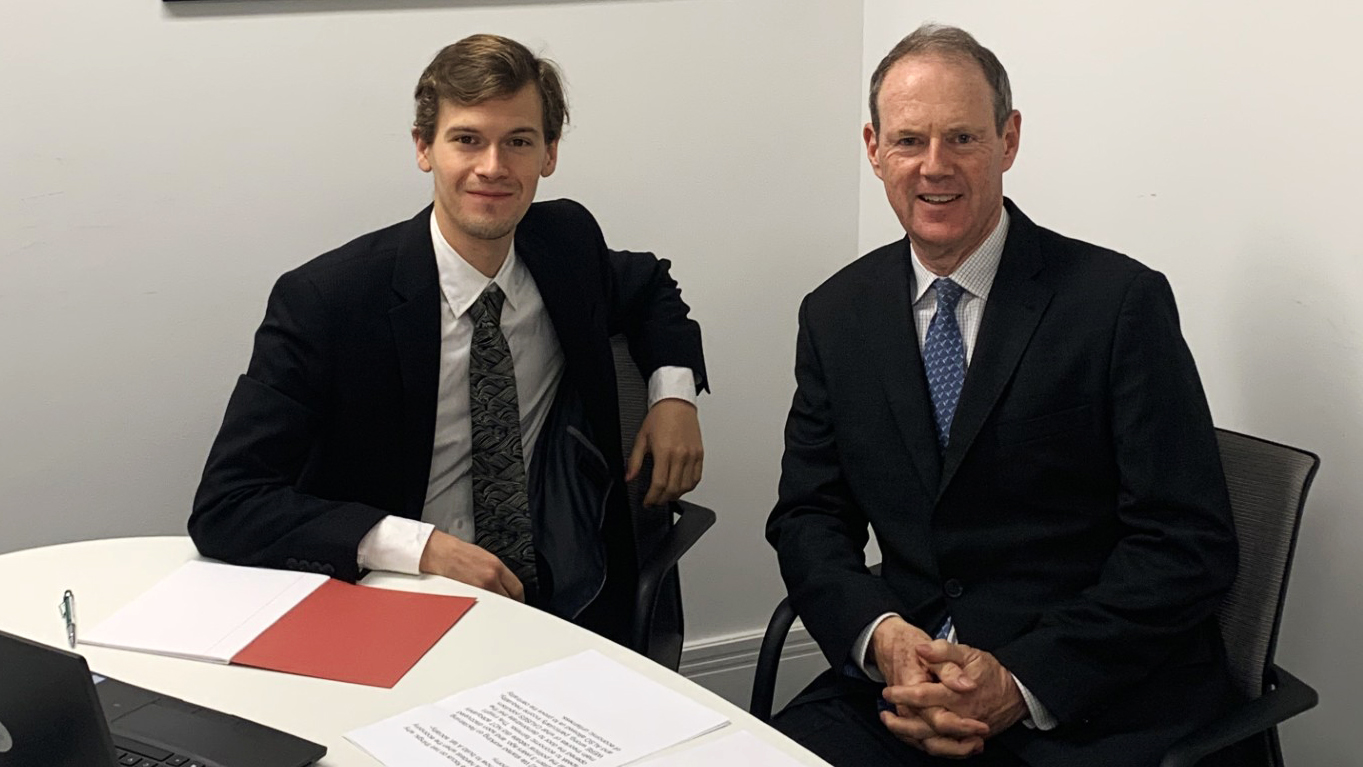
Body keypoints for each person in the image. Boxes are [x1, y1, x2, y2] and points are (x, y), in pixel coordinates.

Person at [766, 24, 1238, 767]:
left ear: (1008, 140)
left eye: (961, 137)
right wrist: (882, 636)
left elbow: (1185, 545)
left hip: (1081, 699)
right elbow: (808, 517)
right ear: (872, 147)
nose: (933, 167)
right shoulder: (835, 315)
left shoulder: (1117, 304)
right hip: (905, 687)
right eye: (908, 140)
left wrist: (1020, 680)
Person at [189, 34, 707, 648]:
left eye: (518, 141)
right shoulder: (328, 302)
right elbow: (228, 503)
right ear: (423, 149)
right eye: (467, 139)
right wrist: (423, 549)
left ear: (550, 154)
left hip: (563, 599)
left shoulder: (566, 244)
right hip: (391, 602)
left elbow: (650, 287)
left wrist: (674, 395)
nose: (493, 167)